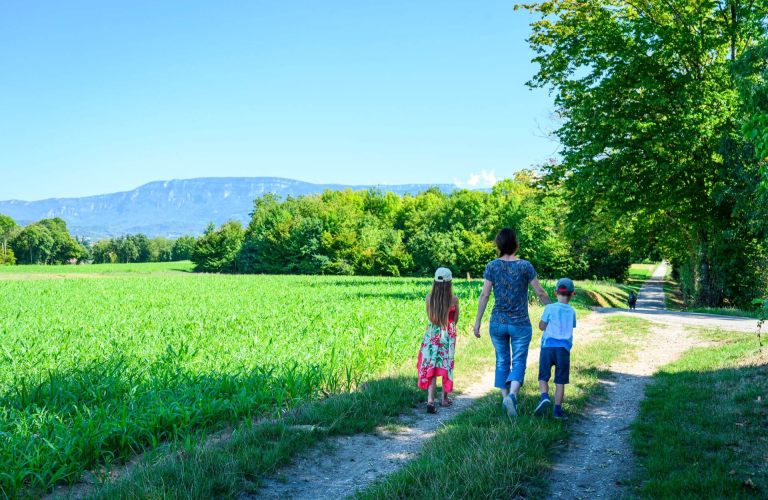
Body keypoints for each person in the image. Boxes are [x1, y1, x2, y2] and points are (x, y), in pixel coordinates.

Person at [473, 228, 552, 418]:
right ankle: (513, 396)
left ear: (498, 245)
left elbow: (485, 294)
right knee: (518, 361)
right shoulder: (525, 266)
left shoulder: (492, 266)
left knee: (501, 360)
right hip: (520, 324)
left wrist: (477, 322)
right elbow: (540, 292)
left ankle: (505, 398)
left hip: (498, 322)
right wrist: (553, 311)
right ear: (515, 244)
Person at [417, 267, 460, 414]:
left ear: (435, 281)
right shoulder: (454, 300)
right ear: (450, 282)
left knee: (432, 365)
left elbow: (430, 318)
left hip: (432, 335)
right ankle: (444, 399)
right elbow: (455, 320)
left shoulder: (429, 298)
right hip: (447, 336)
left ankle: (430, 399)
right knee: (446, 364)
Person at [534, 278, 577, 420]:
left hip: (548, 347)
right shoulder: (572, 311)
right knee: (560, 380)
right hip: (563, 349)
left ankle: (544, 397)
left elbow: (541, 326)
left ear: (555, 292)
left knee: (543, 375)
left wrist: (544, 323)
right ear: (573, 294)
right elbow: (571, 327)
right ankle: (557, 410)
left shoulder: (549, 308)